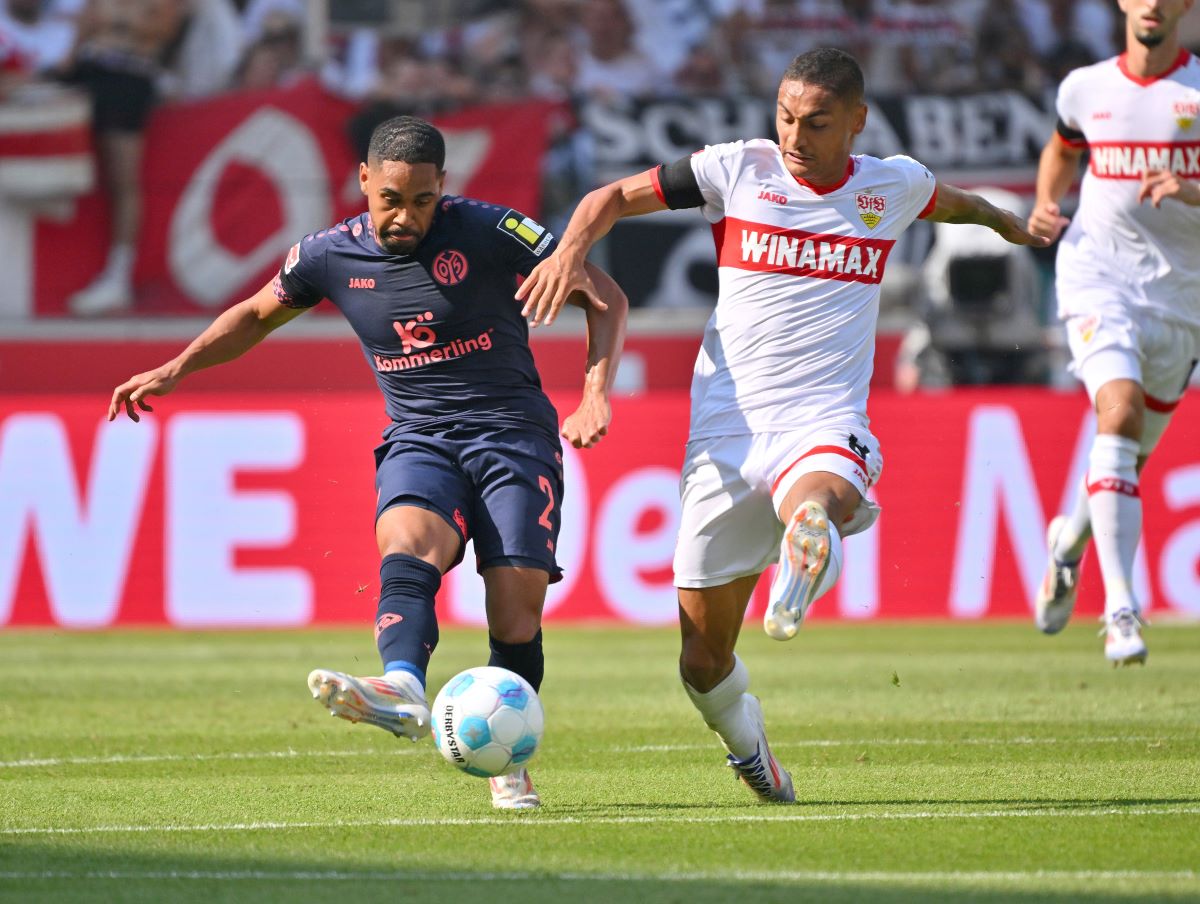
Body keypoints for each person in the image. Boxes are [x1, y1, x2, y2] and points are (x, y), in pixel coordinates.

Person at [517, 47, 1046, 803]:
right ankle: (752, 751)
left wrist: (1008, 226)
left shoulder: (890, 185)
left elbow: (958, 203)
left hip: (825, 417)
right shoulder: (736, 170)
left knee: (818, 494)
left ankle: (808, 541)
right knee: (701, 663)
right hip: (724, 436)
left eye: (817, 122)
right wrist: (571, 251)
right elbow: (608, 198)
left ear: (857, 122)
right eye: (786, 117)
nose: (796, 136)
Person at [108, 115, 628, 809]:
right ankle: (404, 687)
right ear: (363, 182)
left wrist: (594, 394)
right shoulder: (327, 255)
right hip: (420, 437)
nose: (404, 215)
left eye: (420, 200)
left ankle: (510, 753)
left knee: (515, 615)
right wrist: (178, 367)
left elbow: (606, 297)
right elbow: (256, 316)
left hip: (511, 435)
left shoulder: (490, 231)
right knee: (406, 546)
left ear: (443, 186)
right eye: (390, 199)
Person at [1028, 0, 1199, 667]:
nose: (1151, 2)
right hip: (1097, 275)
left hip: (1181, 301)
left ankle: (1066, 546)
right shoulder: (1085, 87)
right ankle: (1121, 611)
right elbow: (1062, 148)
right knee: (1118, 411)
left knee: (1124, 456)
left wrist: (1189, 189)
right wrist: (1048, 200)